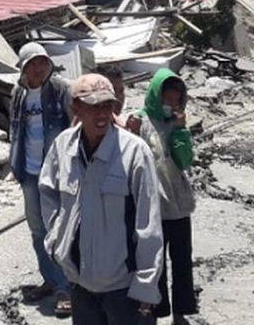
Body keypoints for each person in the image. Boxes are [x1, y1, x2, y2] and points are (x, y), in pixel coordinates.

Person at [40, 74, 163, 324]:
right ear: (76, 107)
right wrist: (57, 243)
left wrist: (146, 284)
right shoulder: (63, 147)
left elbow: (148, 223)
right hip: (80, 284)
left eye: (107, 106)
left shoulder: (134, 152)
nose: (102, 114)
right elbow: (49, 195)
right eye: (93, 106)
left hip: (124, 289)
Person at [10, 42, 73, 316]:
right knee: (37, 229)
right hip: (28, 172)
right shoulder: (18, 94)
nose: (38, 68)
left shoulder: (60, 90)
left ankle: (66, 288)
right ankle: (50, 278)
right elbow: (14, 131)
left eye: (42, 62)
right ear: (23, 67)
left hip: (55, 173)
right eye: (32, 63)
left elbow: (75, 127)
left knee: (58, 230)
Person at [132, 69, 197, 323]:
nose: (170, 105)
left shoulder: (178, 124)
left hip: (178, 205)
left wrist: (181, 131)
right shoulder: (141, 120)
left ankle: (181, 312)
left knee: (181, 262)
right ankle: (157, 310)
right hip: (152, 207)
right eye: (166, 99)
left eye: (175, 100)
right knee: (154, 263)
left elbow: (184, 161)